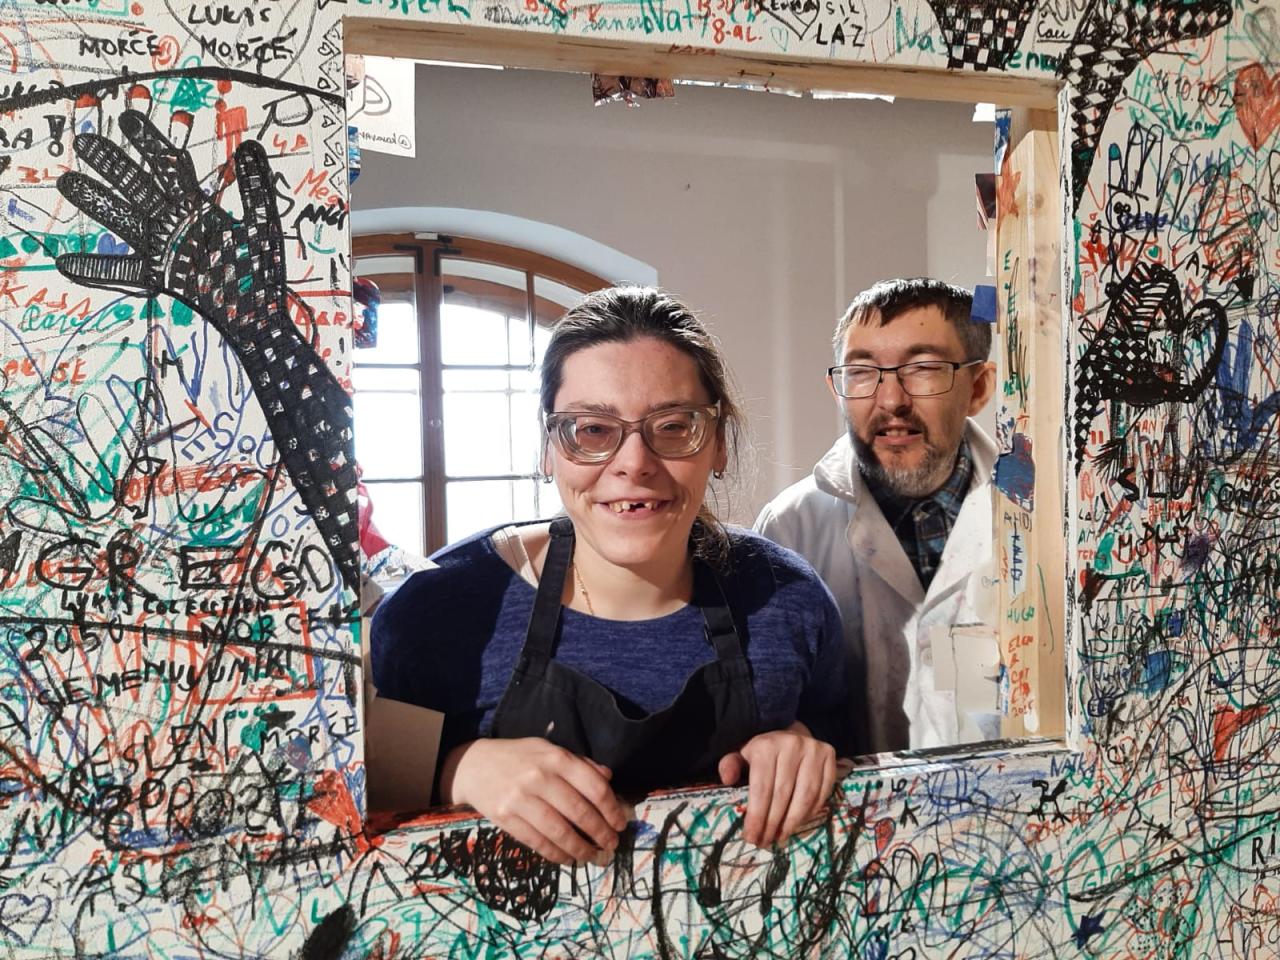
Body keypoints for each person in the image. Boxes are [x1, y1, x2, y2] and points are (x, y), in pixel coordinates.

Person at [371, 286, 850, 865]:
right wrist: (457, 770)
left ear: (718, 444)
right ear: (548, 449)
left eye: (673, 426)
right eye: (592, 430)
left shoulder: (788, 602)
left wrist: (804, 745)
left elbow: (849, 750)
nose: (634, 463)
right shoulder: (438, 612)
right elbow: (351, 800)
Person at [755, 278, 997, 752]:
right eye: (862, 373)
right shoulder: (790, 528)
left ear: (978, 388)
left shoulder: (1041, 517)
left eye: (923, 368)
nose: (891, 401)